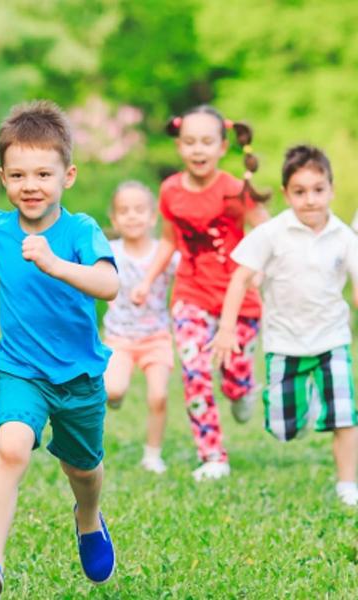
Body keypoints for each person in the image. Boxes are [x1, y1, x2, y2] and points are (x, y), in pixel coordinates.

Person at [0, 100, 119, 599]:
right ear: (3, 177)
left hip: (79, 375)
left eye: (44, 173)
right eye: (18, 174)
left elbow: (108, 284)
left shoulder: (80, 230)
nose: (31, 185)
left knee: (82, 469)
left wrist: (57, 265)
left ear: (69, 175)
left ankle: (88, 518)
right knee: (10, 446)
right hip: (21, 370)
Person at [209, 145, 358, 506]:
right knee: (283, 430)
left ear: (331, 190)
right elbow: (240, 278)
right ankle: (298, 407)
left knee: (345, 416)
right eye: (300, 191)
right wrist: (227, 329)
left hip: (331, 338)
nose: (310, 200)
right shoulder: (272, 233)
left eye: (318, 190)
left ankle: (347, 486)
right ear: (286, 193)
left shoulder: (344, 237)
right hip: (284, 343)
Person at [131, 105, 270, 482]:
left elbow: (267, 231)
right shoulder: (170, 191)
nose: (198, 150)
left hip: (239, 299)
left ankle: (242, 390)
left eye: (207, 142)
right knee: (194, 373)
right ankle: (212, 456)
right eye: (190, 142)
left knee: (234, 379)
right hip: (190, 294)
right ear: (178, 146)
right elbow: (168, 241)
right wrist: (147, 280)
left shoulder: (235, 190)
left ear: (222, 146)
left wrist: (260, 269)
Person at [103, 181, 177, 474]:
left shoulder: (165, 253)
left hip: (156, 337)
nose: (132, 216)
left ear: (153, 217)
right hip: (119, 338)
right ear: (114, 219)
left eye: (139, 210)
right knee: (112, 390)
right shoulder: (108, 251)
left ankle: (152, 454)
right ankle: (116, 397)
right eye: (124, 211)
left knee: (158, 395)